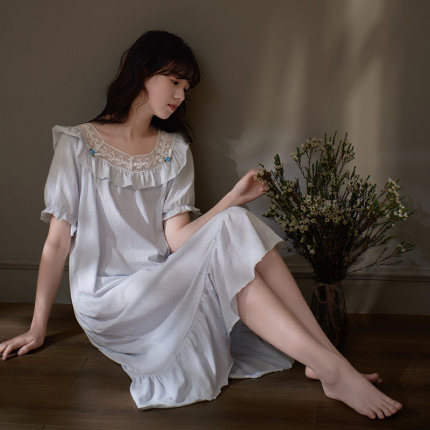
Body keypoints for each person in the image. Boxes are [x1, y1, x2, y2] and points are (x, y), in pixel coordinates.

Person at [0, 30, 402, 419]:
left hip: (162, 281)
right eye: (174, 81)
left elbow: (178, 240)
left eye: (186, 88)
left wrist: (232, 199)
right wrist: (37, 328)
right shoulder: (77, 144)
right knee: (232, 228)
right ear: (143, 71)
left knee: (235, 219)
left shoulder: (174, 150)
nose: (180, 95)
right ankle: (333, 368)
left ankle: (327, 361)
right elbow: (57, 243)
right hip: (108, 300)